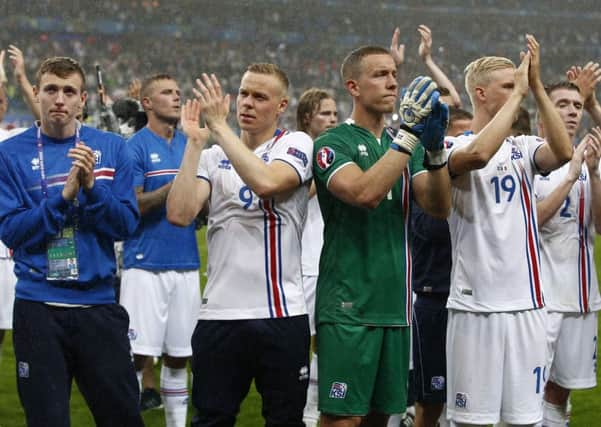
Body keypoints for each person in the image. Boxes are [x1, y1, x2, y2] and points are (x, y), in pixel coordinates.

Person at [0, 56, 143, 427]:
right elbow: (12, 231)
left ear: (83, 99)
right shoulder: (9, 154)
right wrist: (62, 198)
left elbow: (126, 224)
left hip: (98, 305)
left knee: (123, 418)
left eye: (68, 91)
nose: (59, 99)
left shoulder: (112, 149)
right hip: (38, 308)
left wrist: (93, 189)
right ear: (36, 93)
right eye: (50, 89)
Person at [312, 45, 451, 427]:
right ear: (353, 86)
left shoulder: (410, 147)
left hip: (395, 306)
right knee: (343, 419)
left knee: (379, 417)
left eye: (393, 74)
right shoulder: (332, 143)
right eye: (379, 75)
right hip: (348, 305)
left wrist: (435, 150)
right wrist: (408, 136)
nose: (392, 82)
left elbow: (439, 207)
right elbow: (363, 193)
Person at [167, 64, 312, 427]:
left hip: (280, 313)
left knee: (285, 421)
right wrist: (195, 144)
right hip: (219, 315)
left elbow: (267, 182)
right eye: (244, 93)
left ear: (281, 106)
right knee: (211, 420)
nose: (248, 103)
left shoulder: (295, 144)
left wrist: (218, 128)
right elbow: (180, 213)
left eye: (260, 97)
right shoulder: (212, 158)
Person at [444, 35, 572, 426]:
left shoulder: (524, 147)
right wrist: (520, 93)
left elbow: (563, 152)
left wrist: (535, 88)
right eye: (506, 84)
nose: (516, 86)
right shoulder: (451, 146)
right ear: (480, 94)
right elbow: (480, 155)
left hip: (527, 306)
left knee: (524, 420)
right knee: (472, 421)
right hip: (475, 305)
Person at [120, 73, 200, 427]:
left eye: (179, 92)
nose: (176, 97)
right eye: (167, 93)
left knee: (180, 357)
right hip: (144, 264)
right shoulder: (133, 147)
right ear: (148, 103)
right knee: (137, 356)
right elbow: (133, 204)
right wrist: (176, 186)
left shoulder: (190, 144)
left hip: (186, 262)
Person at [533, 81, 601, 427]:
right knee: (528, 393)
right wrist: (570, 178)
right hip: (539, 297)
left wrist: (590, 172)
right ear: (543, 115)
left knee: (561, 393)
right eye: (563, 104)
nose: (572, 111)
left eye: (577, 105)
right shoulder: (529, 159)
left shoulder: (591, 162)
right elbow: (529, 222)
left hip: (582, 296)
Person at [409, 109, 472, 427]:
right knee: (431, 402)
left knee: (473, 400)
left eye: (469, 138)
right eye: (455, 138)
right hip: (436, 299)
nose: (462, 146)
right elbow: (433, 229)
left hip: (475, 303)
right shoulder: (423, 184)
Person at [296, 87, 338, 427]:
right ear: (307, 117)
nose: (333, 118)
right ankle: (305, 410)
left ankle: (313, 410)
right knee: (306, 343)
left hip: (326, 259)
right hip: (304, 264)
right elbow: (298, 195)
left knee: (325, 342)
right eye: (326, 113)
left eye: (335, 113)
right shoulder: (298, 148)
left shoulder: (332, 149)